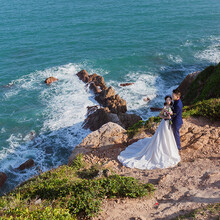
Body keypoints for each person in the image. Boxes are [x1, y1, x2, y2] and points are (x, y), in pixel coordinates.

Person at [117, 95, 180, 170]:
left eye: (169, 99)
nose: (168, 101)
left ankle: (168, 150)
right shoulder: (165, 107)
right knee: (162, 135)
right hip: (164, 123)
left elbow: (172, 114)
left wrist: (170, 116)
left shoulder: (171, 107)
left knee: (168, 136)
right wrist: (166, 117)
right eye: (167, 100)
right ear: (165, 101)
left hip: (168, 123)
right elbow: (160, 115)